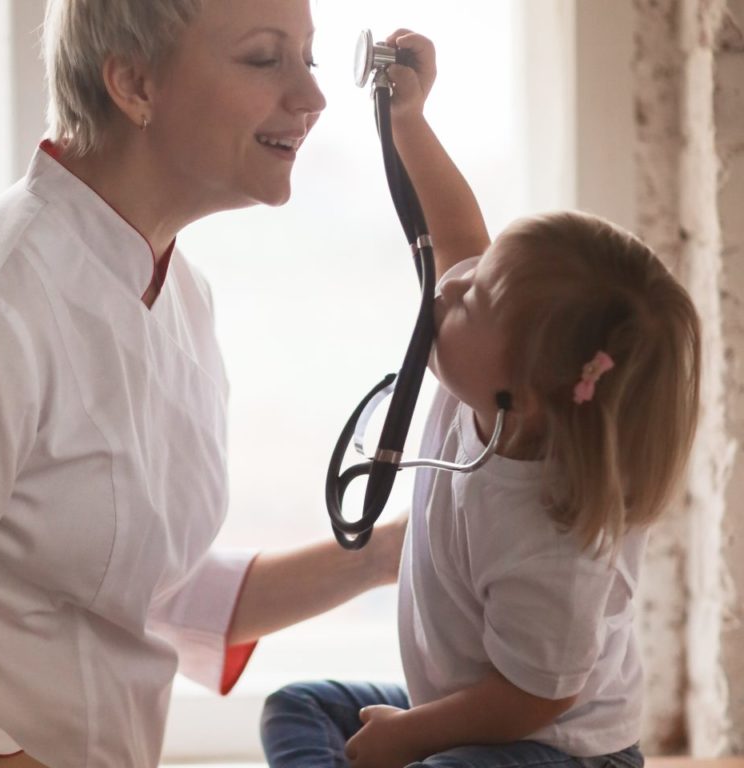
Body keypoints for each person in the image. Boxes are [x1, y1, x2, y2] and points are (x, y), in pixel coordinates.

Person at [0, 1, 407, 767]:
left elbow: (147, 585)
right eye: (264, 59)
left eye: (310, 59)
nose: (312, 98)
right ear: (133, 83)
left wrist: (391, 554)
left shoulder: (181, 297)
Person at [260, 29, 702, 768]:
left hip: (556, 746)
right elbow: (459, 233)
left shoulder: (553, 535)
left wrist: (414, 735)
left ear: (526, 396)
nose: (450, 282)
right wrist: (410, 120)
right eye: (478, 271)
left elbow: (538, 696)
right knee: (296, 707)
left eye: (472, 297)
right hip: (466, 701)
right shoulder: (495, 384)